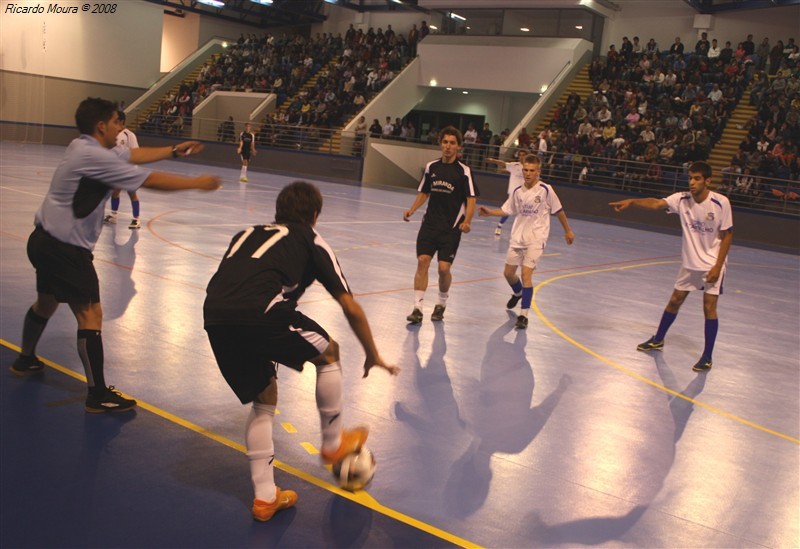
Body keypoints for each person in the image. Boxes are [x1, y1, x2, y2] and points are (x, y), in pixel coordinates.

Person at [203, 181, 399, 522]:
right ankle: (333, 443)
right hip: (260, 311)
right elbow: (350, 307)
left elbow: (236, 280)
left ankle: (266, 498)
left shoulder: (246, 233)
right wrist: (372, 353)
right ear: (314, 215)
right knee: (329, 352)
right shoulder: (310, 238)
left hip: (214, 315)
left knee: (263, 397)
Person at [10, 97, 220, 412]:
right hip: (66, 248)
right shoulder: (94, 157)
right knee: (91, 315)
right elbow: (149, 180)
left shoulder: (80, 147)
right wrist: (197, 183)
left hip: (42, 241)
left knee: (47, 302)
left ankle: (25, 359)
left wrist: (174, 150)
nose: (121, 128)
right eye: (116, 122)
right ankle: (97, 395)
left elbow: (131, 154)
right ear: (101, 126)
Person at [608, 161, 733, 372]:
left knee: (709, 307)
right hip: (690, 263)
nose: (692, 182)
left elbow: (727, 234)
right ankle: (658, 339)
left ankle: (707, 356)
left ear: (708, 181)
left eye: (697, 178)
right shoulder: (682, 199)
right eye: (690, 178)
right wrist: (632, 201)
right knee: (675, 300)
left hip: (712, 263)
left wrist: (717, 266)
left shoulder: (721, 203)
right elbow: (657, 203)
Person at [478, 155, 575, 329]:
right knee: (508, 274)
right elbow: (506, 209)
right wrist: (490, 212)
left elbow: (559, 211)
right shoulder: (517, 191)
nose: (528, 174)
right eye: (526, 170)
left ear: (538, 172)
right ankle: (518, 292)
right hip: (518, 237)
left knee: (526, 274)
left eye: (532, 171)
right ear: (522, 170)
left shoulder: (546, 190)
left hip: (536, 239)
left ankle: (524, 315)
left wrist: (568, 230)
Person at [403, 126, 478, 324]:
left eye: (452, 143)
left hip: (451, 229)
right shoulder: (431, 167)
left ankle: (441, 303)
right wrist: (412, 209)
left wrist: (467, 221)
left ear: (458, 147)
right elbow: (424, 192)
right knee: (422, 261)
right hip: (429, 225)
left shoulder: (464, 172)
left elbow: (471, 199)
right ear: (440, 144)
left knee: (444, 269)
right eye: (445, 142)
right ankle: (417, 308)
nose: (448, 146)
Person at [104, 111, 142, 229]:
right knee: (115, 192)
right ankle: (113, 215)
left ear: (121, 122)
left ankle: (136, 219)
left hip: (129, 170)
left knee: (132, 193)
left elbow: (136, 152)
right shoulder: (112, 135)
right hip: (117, 170)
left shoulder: (129, 135)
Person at [485, 149, 526, 236]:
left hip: (525, 194)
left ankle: (521, 231)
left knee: (524, 212)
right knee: (508, 210)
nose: (521, 156)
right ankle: (499, 226)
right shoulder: (515, 165)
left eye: (523, 155)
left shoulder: (529, 168)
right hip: (513, 193)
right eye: (520, 154)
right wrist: (493, 160)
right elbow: (503, 163)